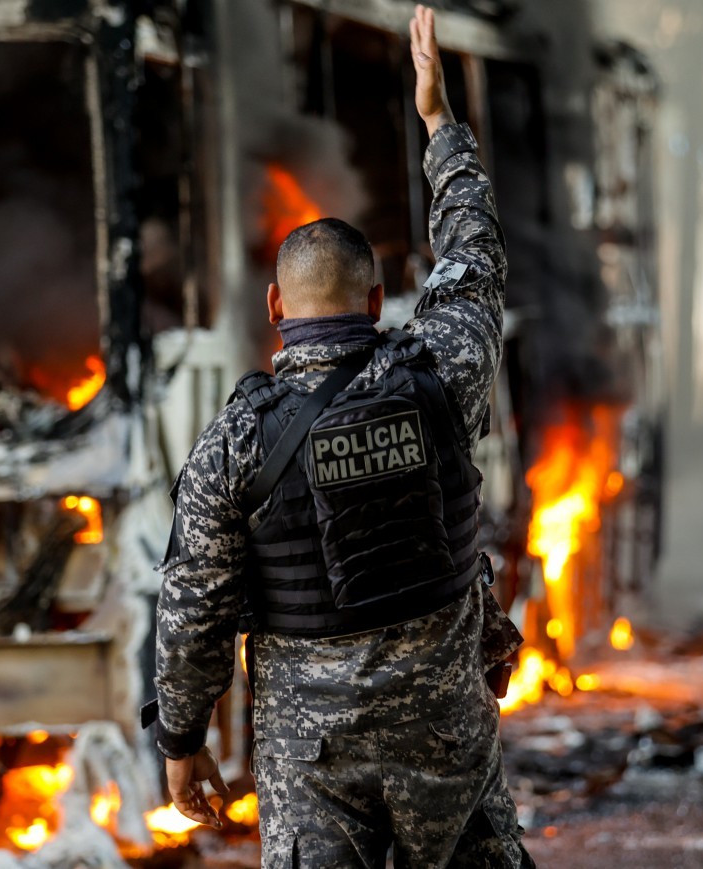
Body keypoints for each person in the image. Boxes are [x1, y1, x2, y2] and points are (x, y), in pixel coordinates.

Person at [152, 6, 532, 866]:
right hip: (447, 737)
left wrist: (181, 739)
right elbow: (474, 253)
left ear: (276, 310)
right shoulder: (442, 372)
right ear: (374, 303)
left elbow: (193, 610)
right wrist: (438, 123)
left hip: (312, 761)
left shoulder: (233, 446)